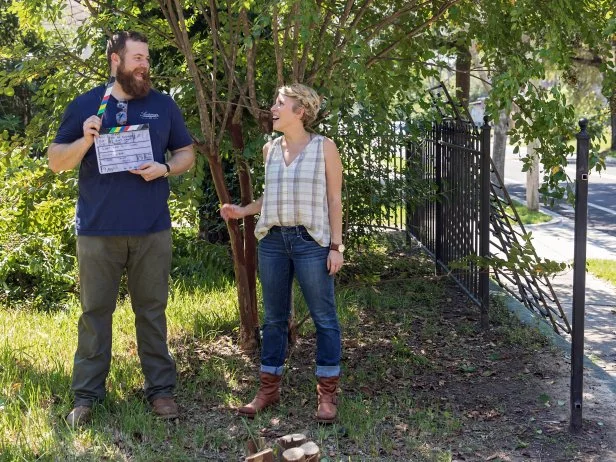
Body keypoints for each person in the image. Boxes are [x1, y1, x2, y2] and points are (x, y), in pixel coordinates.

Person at [48, 31, 195, 426]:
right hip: (97, 231)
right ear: (116, 60)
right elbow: (56, 161)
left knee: (152, 311)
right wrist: (84, 141)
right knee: (95, 313)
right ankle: (86, 397)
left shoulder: (163, 105)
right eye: (137, 58)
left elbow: (186, 154)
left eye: (147, 58)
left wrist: (165, 167)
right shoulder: (85, 105)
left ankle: (161, 391)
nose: (145, 64)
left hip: (152, 230)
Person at [220, 83, 344, 423]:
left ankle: (327, 396)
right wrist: (244, 211)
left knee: (324, 319)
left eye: (279, 103)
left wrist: (336, 246)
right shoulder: (270, 150)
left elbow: (334, 200)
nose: (272, 109)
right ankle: (268, 389)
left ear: (299, 111)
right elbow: (271, 197)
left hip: (310, 244)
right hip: (273, 242)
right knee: (274, 319)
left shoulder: (325, 148)